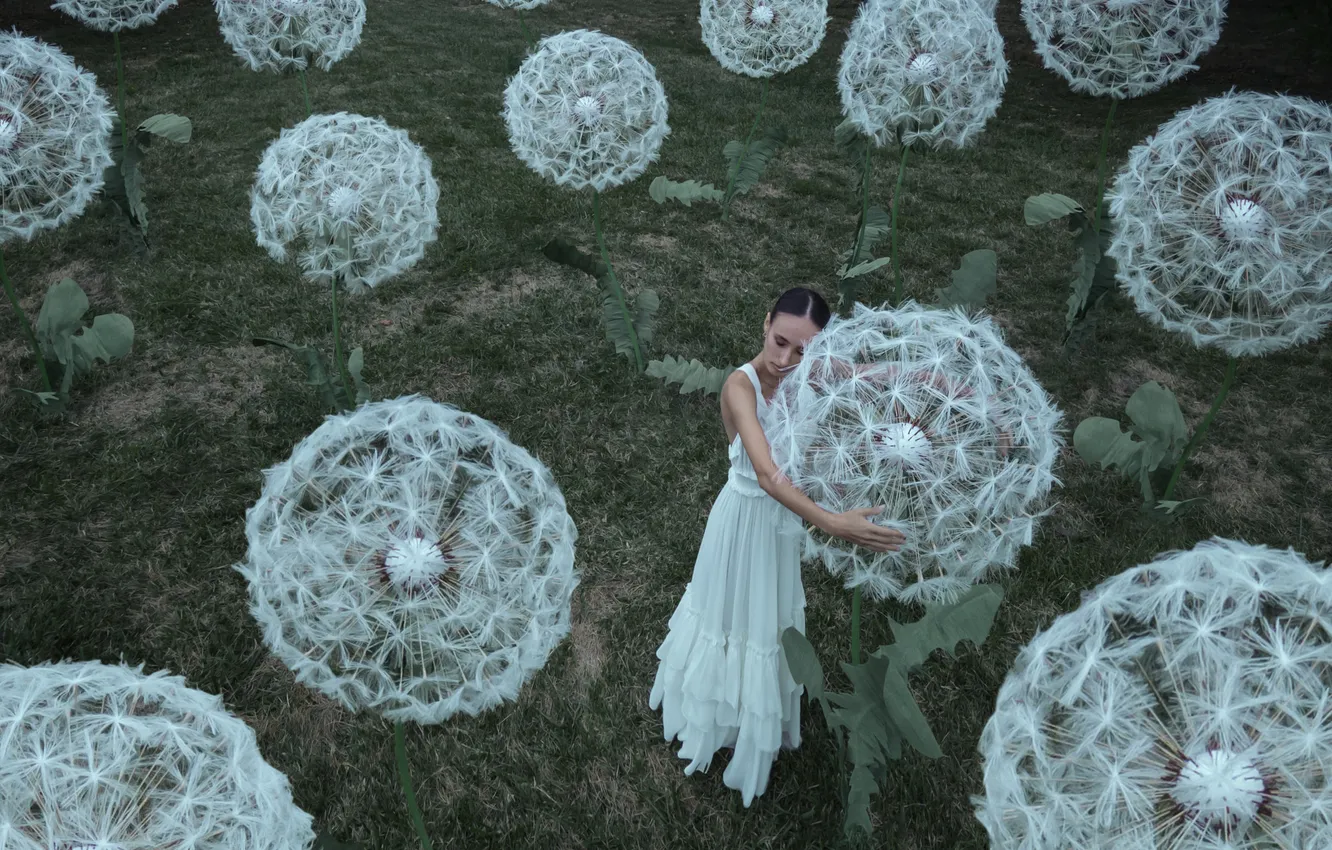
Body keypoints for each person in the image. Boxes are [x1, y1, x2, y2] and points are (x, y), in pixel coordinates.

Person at [647, 286, 906, 807]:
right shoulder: (739, 387)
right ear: (765, 324)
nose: (786, 360)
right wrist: (833, 523)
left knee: (767, 621)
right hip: (741, 520)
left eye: (803, 352)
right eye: (779, 341)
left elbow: (887, 378)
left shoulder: (811, 374)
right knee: (726, 616)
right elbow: (767, 475)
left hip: (778, 531)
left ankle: (756, 711)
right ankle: (715, 713)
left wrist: (961, 393)